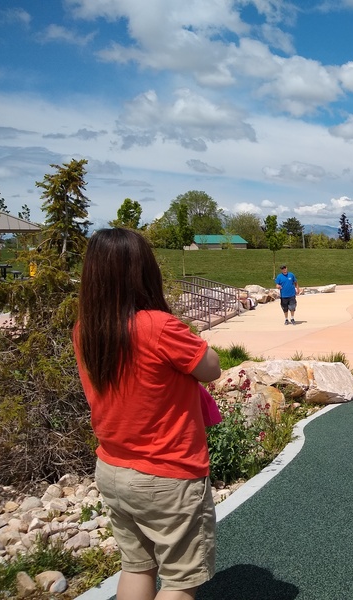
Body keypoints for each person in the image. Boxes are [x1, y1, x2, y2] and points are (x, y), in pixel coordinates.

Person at [73, 228, 221, 600]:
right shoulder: (158, 326)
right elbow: (211, 368)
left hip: (113, 469)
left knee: (136, 565)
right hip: (167, 474)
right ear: (144, 271)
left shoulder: (86, 329)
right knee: (181, 580)